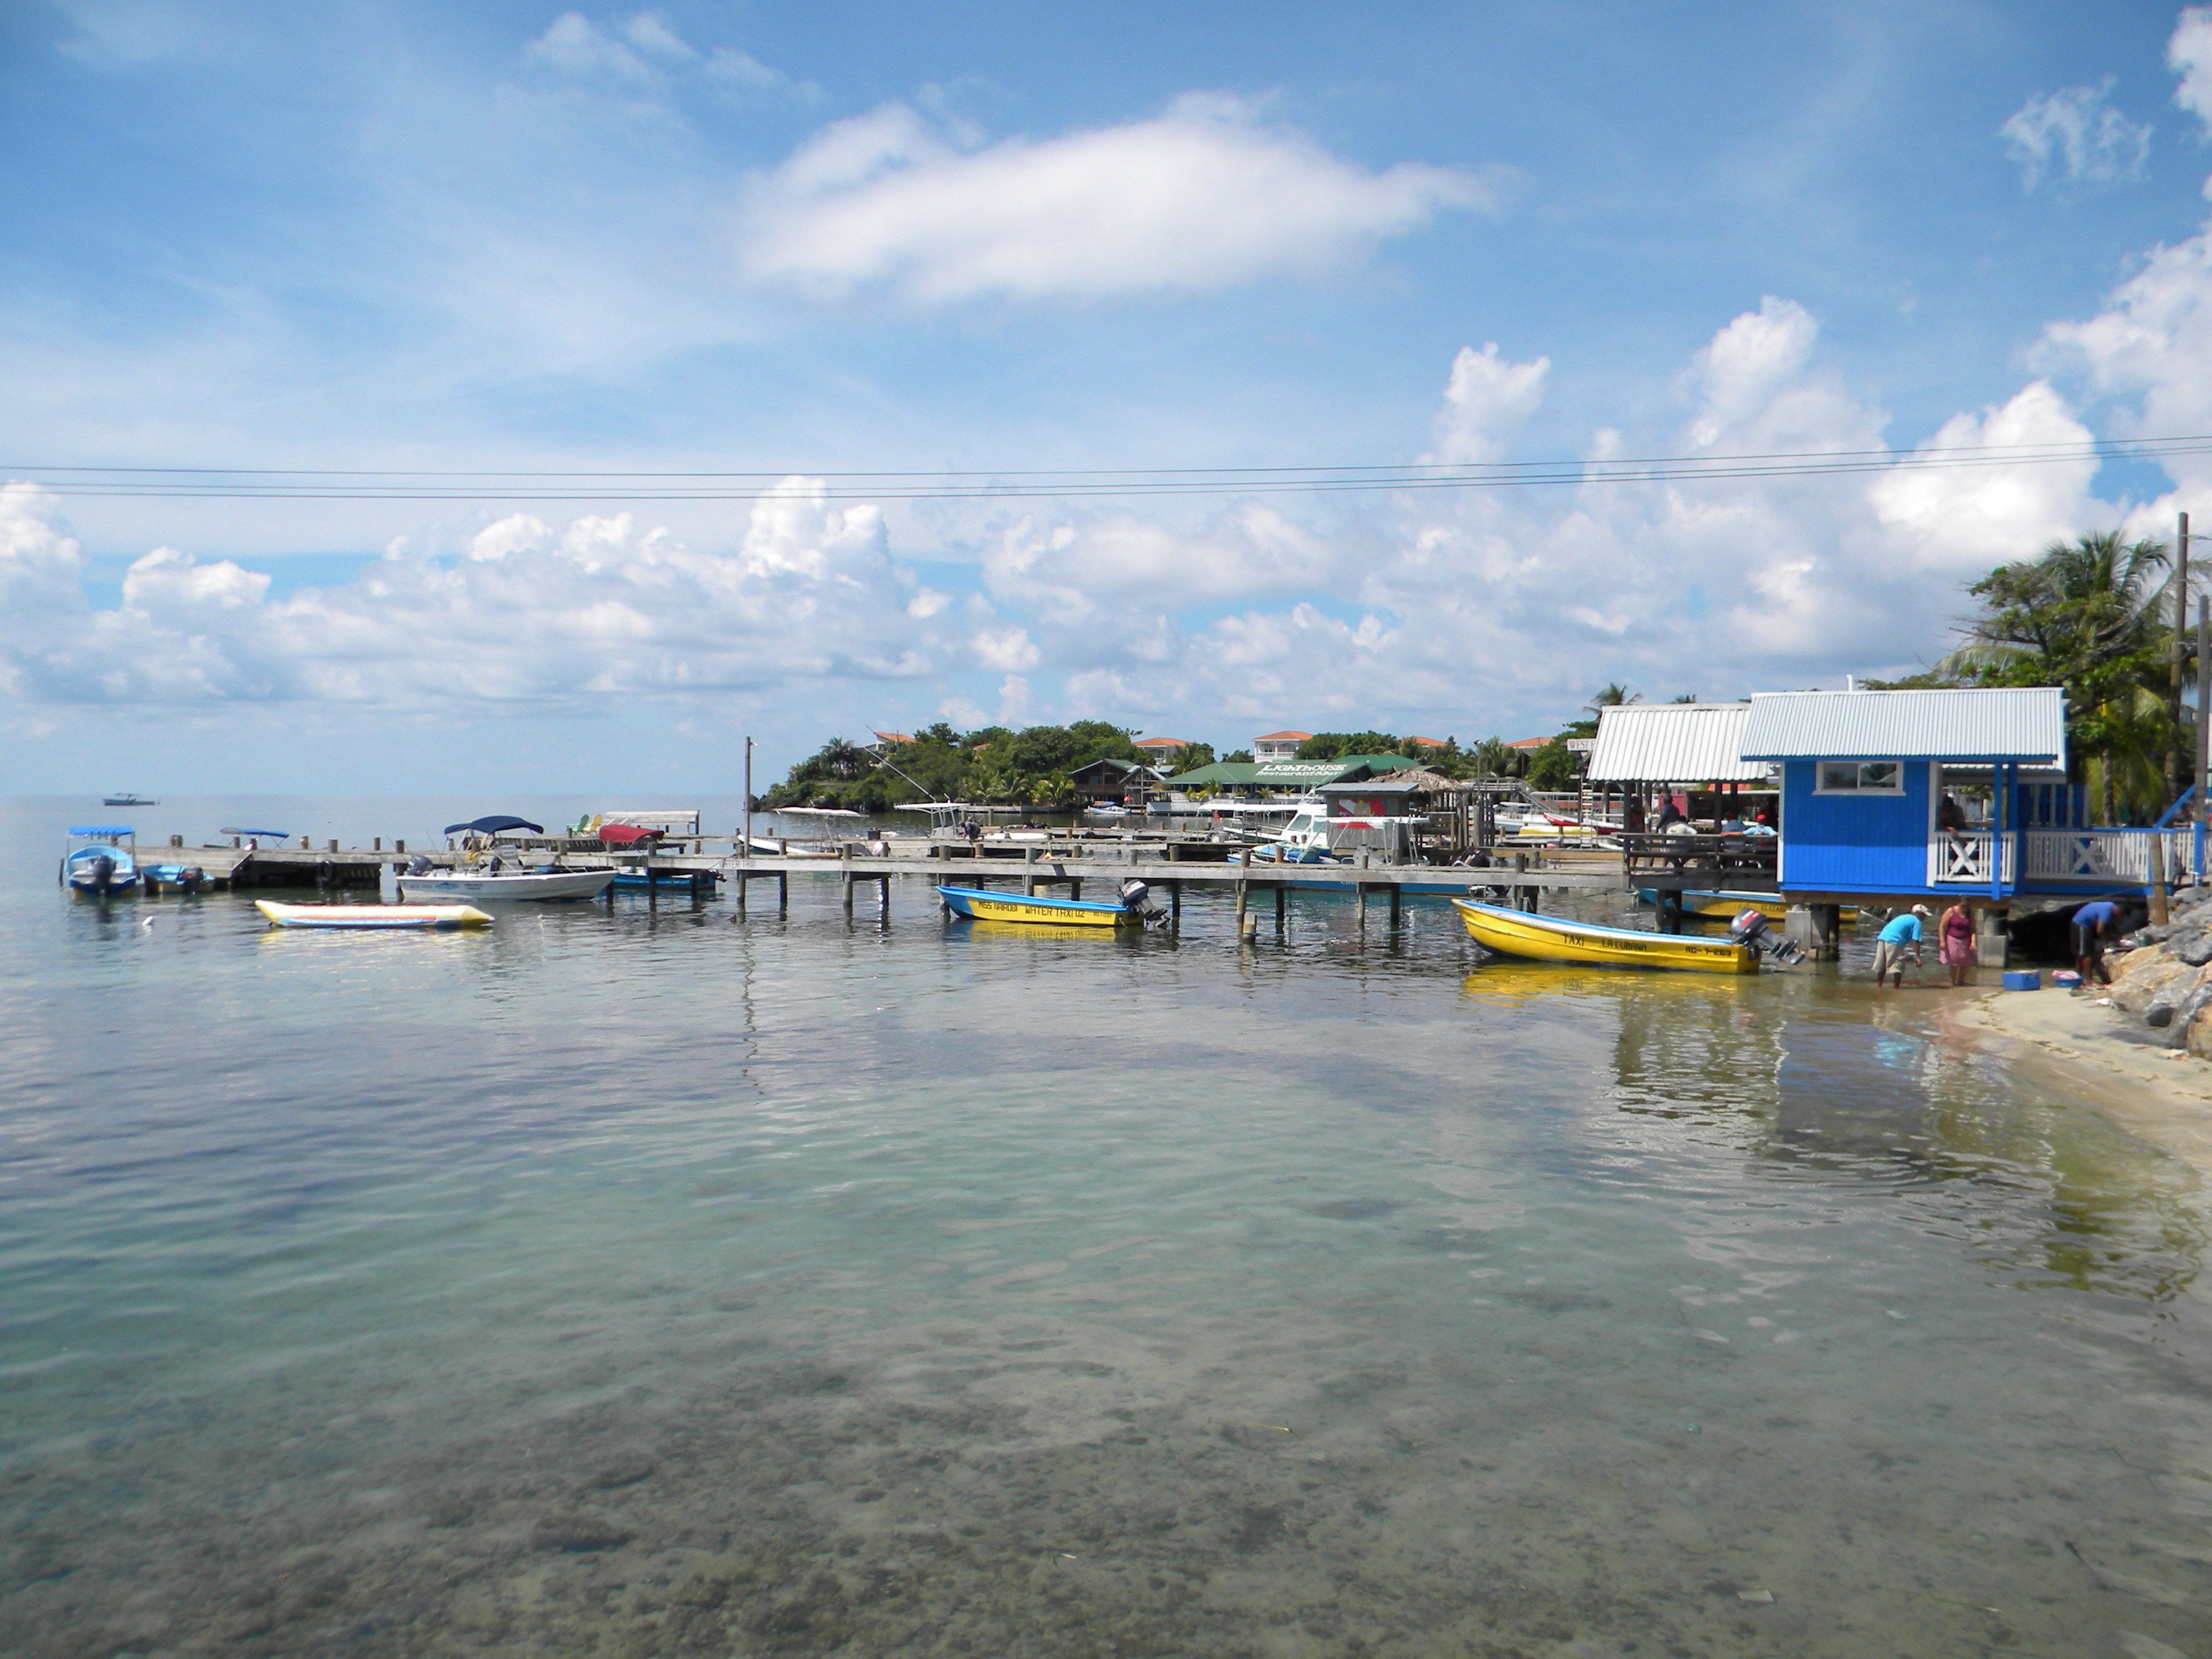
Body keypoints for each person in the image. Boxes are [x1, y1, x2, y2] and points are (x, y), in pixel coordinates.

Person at [1872, 904, 1931, 988]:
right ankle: (1896, 988)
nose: (1925, 917)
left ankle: (1879, 986)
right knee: (1898, 965)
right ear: (1919, 914)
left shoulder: (1904, 917)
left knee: (1882, 965)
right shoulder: (1917, 921)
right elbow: (1915, 940)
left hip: (1882, 938)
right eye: (1924, 915)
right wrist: (1918, 957)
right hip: (1894, 940)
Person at [2071, 899, 2119, 990]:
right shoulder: (2107, 912)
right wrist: (2108, 938)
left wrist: (2117, 936)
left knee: (2081, 952)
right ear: (2116, 913)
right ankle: (2088, 981)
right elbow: (2100, 930)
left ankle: (2077, 977)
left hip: (2083, 924)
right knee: (2087, 954)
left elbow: (2112, 924)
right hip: (2081, 925)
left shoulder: (2111, 906)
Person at [1938, 900, 1976, 987]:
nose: (1965, 908)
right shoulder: (1951, 911)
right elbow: (1942, 926)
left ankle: (1961, 981)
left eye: (1967, 906)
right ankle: (1952, 982)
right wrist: (1942, 941)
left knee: (1968, 962)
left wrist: (1973, 942)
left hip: (1966, 939)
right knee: (1954, 962)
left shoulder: (1970, 913)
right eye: (1963, 906)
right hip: (1952, 938)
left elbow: (1973, 929)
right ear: (1958, 903)